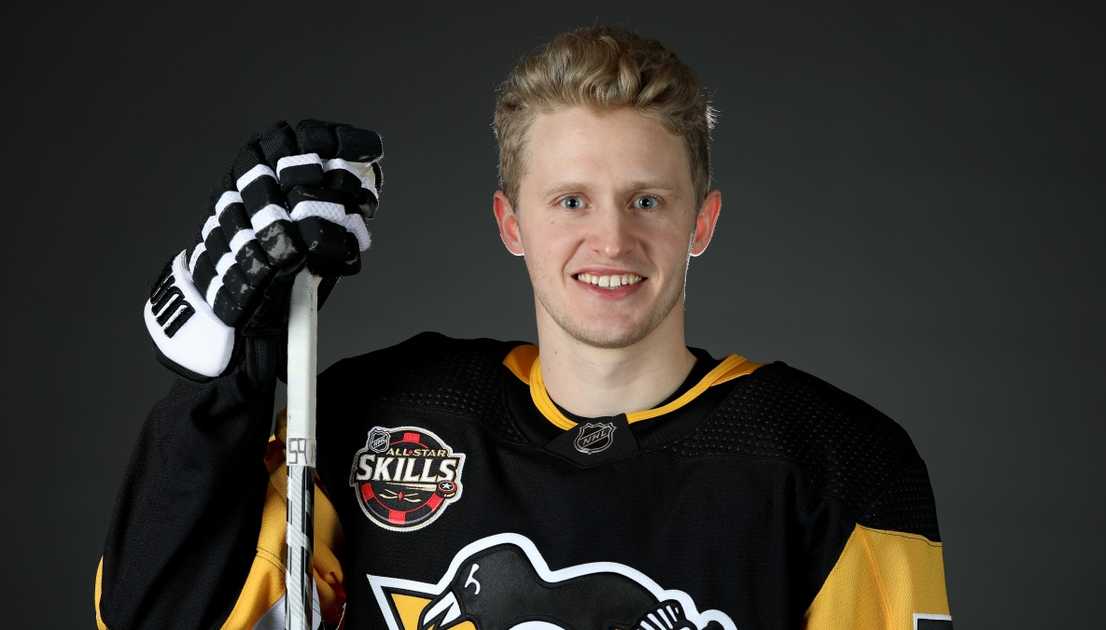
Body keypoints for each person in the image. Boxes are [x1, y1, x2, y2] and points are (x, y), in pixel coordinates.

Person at [95, 25, 953, 630]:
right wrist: (221, 383)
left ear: (704, 221)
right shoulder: (380, 415)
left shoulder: (834, 462)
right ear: (511, 223)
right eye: (570, 200)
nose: (611, 240)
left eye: (647, 201)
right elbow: (156, 616)